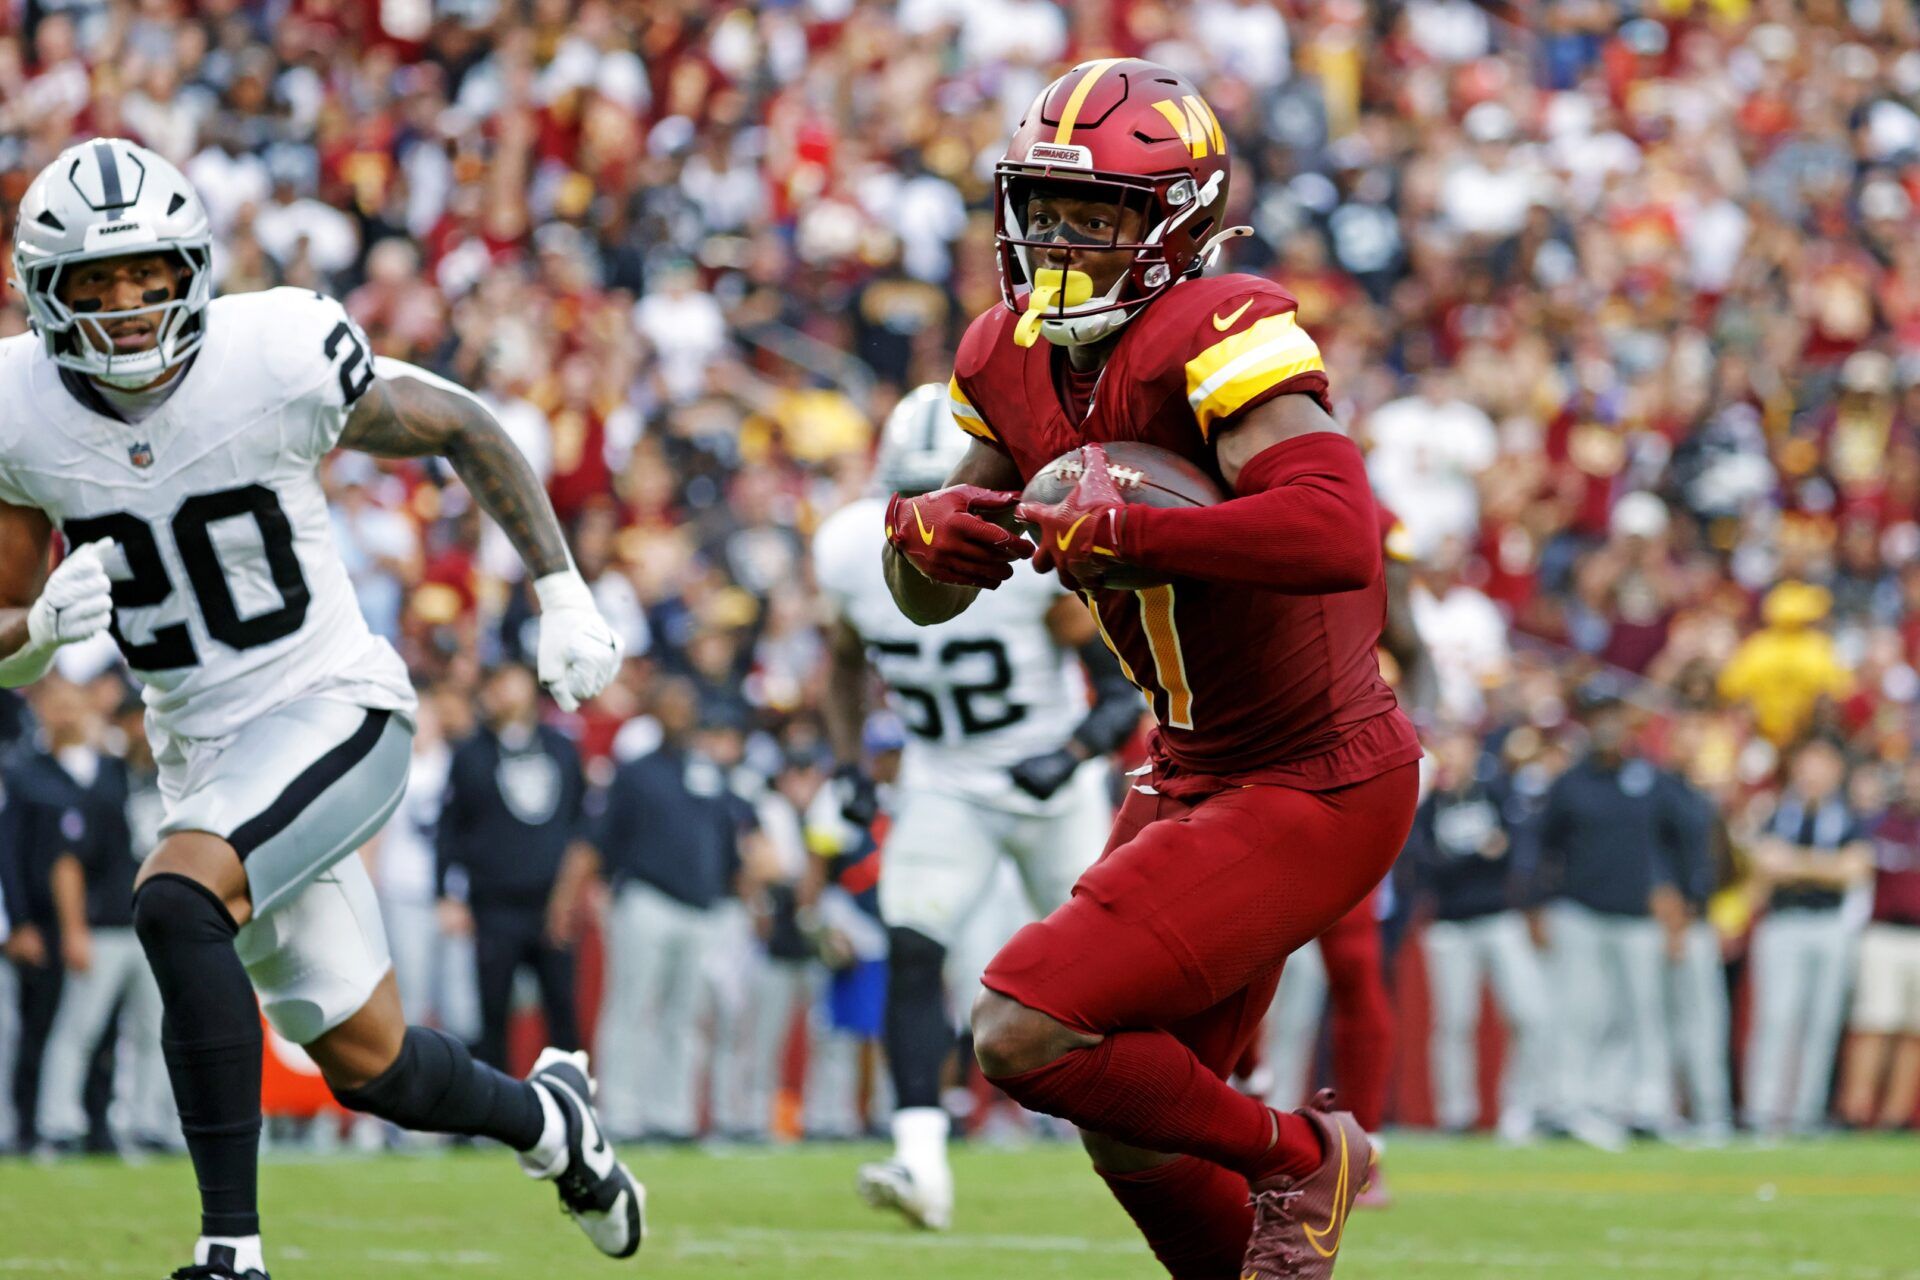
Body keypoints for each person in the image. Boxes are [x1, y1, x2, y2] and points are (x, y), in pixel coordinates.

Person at [0, 140, 637, 1277]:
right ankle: (555, 1125)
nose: (129, 305)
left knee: (174, 896)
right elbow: (0, 644)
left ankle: (229, 1248)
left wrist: (560, 588)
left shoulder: (274, 350)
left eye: (148, 274)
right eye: (95, 285)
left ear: (191, 267)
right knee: (374, 1063)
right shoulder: (17, 412)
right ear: (48, 296)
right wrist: (40, 628)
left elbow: (458, 419)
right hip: (204, 756)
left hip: (334, 705)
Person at [882, 62, 1422, 1279]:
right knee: (1125, 1112)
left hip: (1313, 774)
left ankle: (1304, 1151)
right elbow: (929, 598)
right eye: (1044, 207)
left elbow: (1338, 533)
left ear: (1174, 222)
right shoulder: (1001, 354)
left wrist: (1139, 533)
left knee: (1024, 1024)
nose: (1062, 240)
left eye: (1102, 214)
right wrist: (919, 542)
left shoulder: (1217, 324)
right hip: (1188, 767)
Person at [815, 384, 1136, 1230]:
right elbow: (845, 664)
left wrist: (1066, 755)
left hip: (1049, 791)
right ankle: (922, 1163)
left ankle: (1181, 1135)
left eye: (949, 492)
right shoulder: (851, 552)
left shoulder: (1032, 551)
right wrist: (847, 764)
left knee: (1118, 981)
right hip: (944, 781)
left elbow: (1117, 690)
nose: (935, 517)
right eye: (917, 498)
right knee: (915, 951)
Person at [571, 681, 759, 1140]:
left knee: (686, 1014)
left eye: (685, 702)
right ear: (653, 710)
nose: (679, 709)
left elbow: (729, 839)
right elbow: (602, 836)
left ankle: (671, 1114)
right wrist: (595, 889)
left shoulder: (709, 771)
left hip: (702, 907)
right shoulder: (634, 771)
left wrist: (738, 890)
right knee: (631, 1006)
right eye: (670, 702)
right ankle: (620, 1111)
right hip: (646, 899)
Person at [1535, 684, 1689, 1142]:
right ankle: (1571, 1102)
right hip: (1581, 911)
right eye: (1597, 713)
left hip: (1639, 912)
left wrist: (1679, 895)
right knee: (1580, 1011)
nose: (1606, 723)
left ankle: (1646, 1105)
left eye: (1613, 713)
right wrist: (1538, 904)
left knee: (1644, 1013)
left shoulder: (1652, 779)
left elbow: (1683, 836)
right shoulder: (1570, 782)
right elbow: (1544, 846)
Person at [33, 680, 175, 1153]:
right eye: (139, 720)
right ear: (125, 725)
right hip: (108, 926)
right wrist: (74, 928)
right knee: (80, 1029)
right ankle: (58, 1124)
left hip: (162, 932)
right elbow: (68, 861)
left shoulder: (176, 781)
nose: (147, 730)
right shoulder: (104, 782)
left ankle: (148, 1123)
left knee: (157, 1032)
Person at [435, 663, 585, 1074]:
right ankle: (494, 1114)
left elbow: (579, 826)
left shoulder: (561, 748)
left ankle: (570, 1102)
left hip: (550, 900)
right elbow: (448, 828)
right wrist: (445, 893)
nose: (504, 693)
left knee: (562, 1011)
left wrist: (569, 896)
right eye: (497, 683)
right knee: (492, 1011)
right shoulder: (470, 753)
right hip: (494, 902)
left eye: (511, 682)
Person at [1406, 725, 1553, 1144]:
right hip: (1450, 924)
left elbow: (1518, 849)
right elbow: (1425, 865)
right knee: (1454, 1021)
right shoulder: (1430, 806)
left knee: (1528, 1012)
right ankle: (1457, 1113)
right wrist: (1478, 854)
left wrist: (1477, 860)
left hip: (1498, 917)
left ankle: (1519, 1109)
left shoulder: (1497, 792)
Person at [1744, 738, 1874, 1135]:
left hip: (1830, 925)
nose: (1813, 773)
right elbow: (1764, 862)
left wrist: (1795, 863)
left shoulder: (1849, 815)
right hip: (1784, 922)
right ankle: (1763, 1110)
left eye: (1822, 764)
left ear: (1836, 770)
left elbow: (1854, 869)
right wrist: (1824, 866)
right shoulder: (1777, 811)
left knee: (1821, 1020)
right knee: (1776, 1017)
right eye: (1807, 763)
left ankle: (1806, 1112)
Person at [1839, 756, 1920, 1130]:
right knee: (1873, 1024)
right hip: (1884, 932)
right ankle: (1855, 1110)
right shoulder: (1880, 822)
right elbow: (1855, 868)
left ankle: (1895, 1116)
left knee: (1913, 1032)